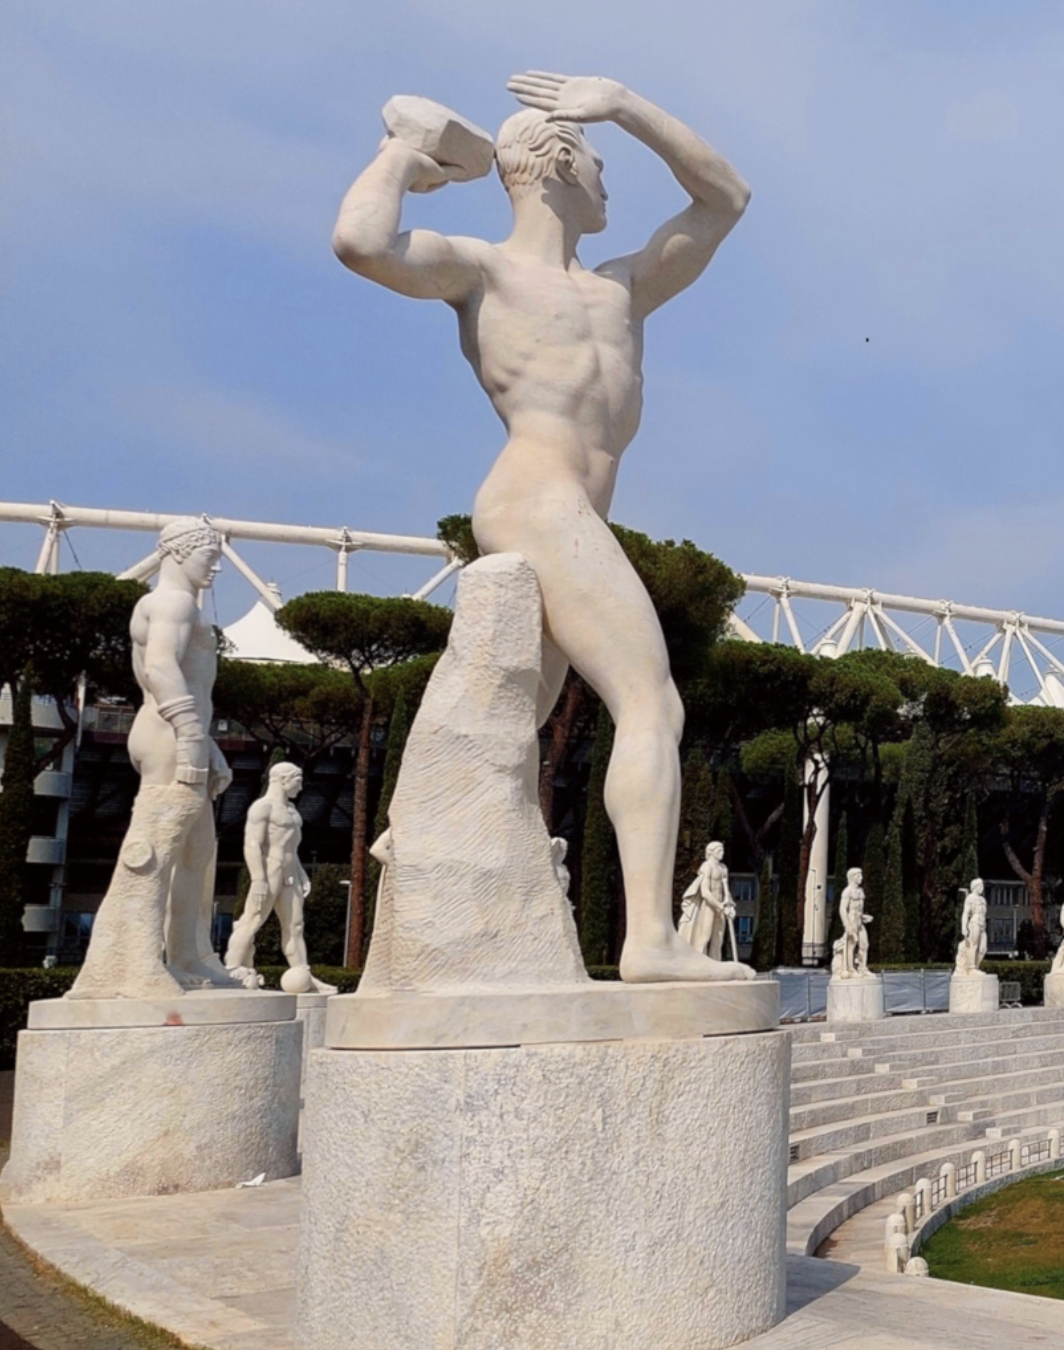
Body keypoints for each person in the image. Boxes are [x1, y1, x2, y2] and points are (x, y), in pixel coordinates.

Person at [333, 73, 750, 983]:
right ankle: (649, 944)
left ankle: (424, 839)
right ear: (558, 165)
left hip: (575, 514)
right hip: (534, 499)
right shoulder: (482, 270)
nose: (611, 179)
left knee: (505, 732)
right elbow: (361, 242)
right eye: (600, 159)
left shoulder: (621, 291)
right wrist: (405, 150)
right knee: (651, 701)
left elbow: (726, 198)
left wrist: (627, 106)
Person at [71, 518, 237, 999]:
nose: (218, 566)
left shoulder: (168, 604)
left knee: (195, 853)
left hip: (182, 735)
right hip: (170, 736)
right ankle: (133, 962)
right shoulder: (172, 602)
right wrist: (190, 734)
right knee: (153, 854)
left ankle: (185, 955)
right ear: (180, 552)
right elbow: (161, 668)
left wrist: (209, 746)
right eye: (210, 556)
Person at [224, 763, 334, 994]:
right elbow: (252, 844)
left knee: (295, 926)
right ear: (283, 780)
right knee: (252, 920)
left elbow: (291, 849)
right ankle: (232, 969)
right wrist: (258, 879)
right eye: (298, 780)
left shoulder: (293, 810)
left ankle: (303, 976)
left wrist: (301, 872)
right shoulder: (262, 808)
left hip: (290, 873)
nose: (301, 786)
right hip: (268, 870)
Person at [678, 841, 731, 960]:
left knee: (719, 940)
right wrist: (721, 906)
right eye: (719, 851)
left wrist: (729, 904)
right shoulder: (707, 867)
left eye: (722, 850)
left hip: (721, 906)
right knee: (704, 937)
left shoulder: (723, 868)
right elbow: (705, 892)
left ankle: (715, 965)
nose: (722, 853)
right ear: (711, 852)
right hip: (709, 906)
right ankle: (699, 962)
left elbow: (726, 890)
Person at [833, 867, 871, 978]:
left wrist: (864, 917)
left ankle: (863, 969)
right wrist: (847, 926)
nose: (861, 878)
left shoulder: (860, 891)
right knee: (851, 946)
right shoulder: (847, 891)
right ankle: (851, 970)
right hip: (852, 921)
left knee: (864, 945)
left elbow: (859, 909)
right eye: (858, 876)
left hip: (859, 922)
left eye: (861, 875)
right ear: (852, 877)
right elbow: (842, 909)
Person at [955, 880, 987, 976]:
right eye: (981, 886)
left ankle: (976, 967)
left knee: (983, 948)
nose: (982, 888)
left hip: (983, 924)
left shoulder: (983, 900)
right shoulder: (970, 898)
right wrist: (963, 927)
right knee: (973, 945)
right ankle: (971, 968)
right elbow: (965, 913)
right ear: (976, 886)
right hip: (974, 922)